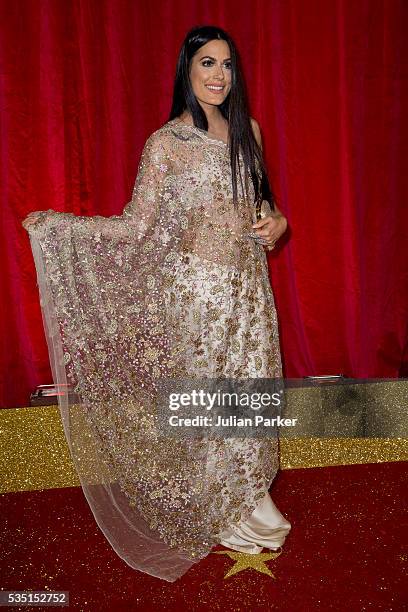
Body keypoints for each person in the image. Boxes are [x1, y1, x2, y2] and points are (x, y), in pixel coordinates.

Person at [22, 25, 291, 582]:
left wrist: (278, 221)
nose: (219, 76)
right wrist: (62, 230)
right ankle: (221, 506)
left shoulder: (249, 132)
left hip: (248, 289)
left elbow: (260, 202)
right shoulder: (166, 142)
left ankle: (246, 493)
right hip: (196, 292)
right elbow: (136, 225)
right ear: (187, 73)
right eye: (207, 65)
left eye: (227, 65)